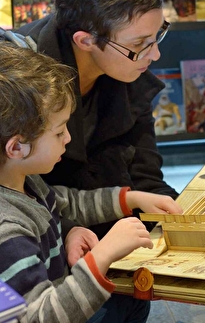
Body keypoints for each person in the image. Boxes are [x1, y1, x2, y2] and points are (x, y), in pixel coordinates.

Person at [0, 42, 183, 322]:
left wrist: (129, 199)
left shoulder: (24, 180)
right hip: (55, 310)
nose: (69, 139)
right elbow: (41, 316)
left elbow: (65, 204)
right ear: (16, 148)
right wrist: (104, 254)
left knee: (131, 302)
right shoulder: (7, 232)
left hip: (59, 291)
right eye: (60, 132)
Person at [12, 0, 180, 238]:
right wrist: (66, 233)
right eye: (141, 44)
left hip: (113, 225)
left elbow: (146, 176)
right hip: (38, 246)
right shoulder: (19, 82)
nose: (155, 56)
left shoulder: (126, 65)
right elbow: (13, 199)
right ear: (85, 40)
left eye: (158, 36)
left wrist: (180, 220)